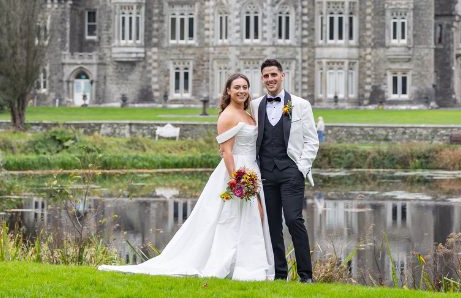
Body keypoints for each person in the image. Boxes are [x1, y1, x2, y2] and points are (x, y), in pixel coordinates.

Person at [98, 73, 274, 280]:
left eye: (245, 87)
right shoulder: (228, 115)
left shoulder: (248, 112)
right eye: (237, 87)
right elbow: (226, 151)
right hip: (237, 172)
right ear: (228, 90)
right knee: (234, 218)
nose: (242, 91)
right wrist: (237, 181)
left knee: (251, 217)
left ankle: (243, 265)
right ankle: (234, 265)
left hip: (252, 168)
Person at [252, 59, 319, 283]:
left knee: (293, 220)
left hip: (291, 171)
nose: (270, 79)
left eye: (274, 75)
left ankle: (306, 275)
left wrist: (301, 168)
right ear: (262, 79)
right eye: (266, 76)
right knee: (272, 225)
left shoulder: (301, 104)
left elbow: (312, 140)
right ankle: (280, 275)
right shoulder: (255, 105)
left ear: (283, 75)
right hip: (265, 174)